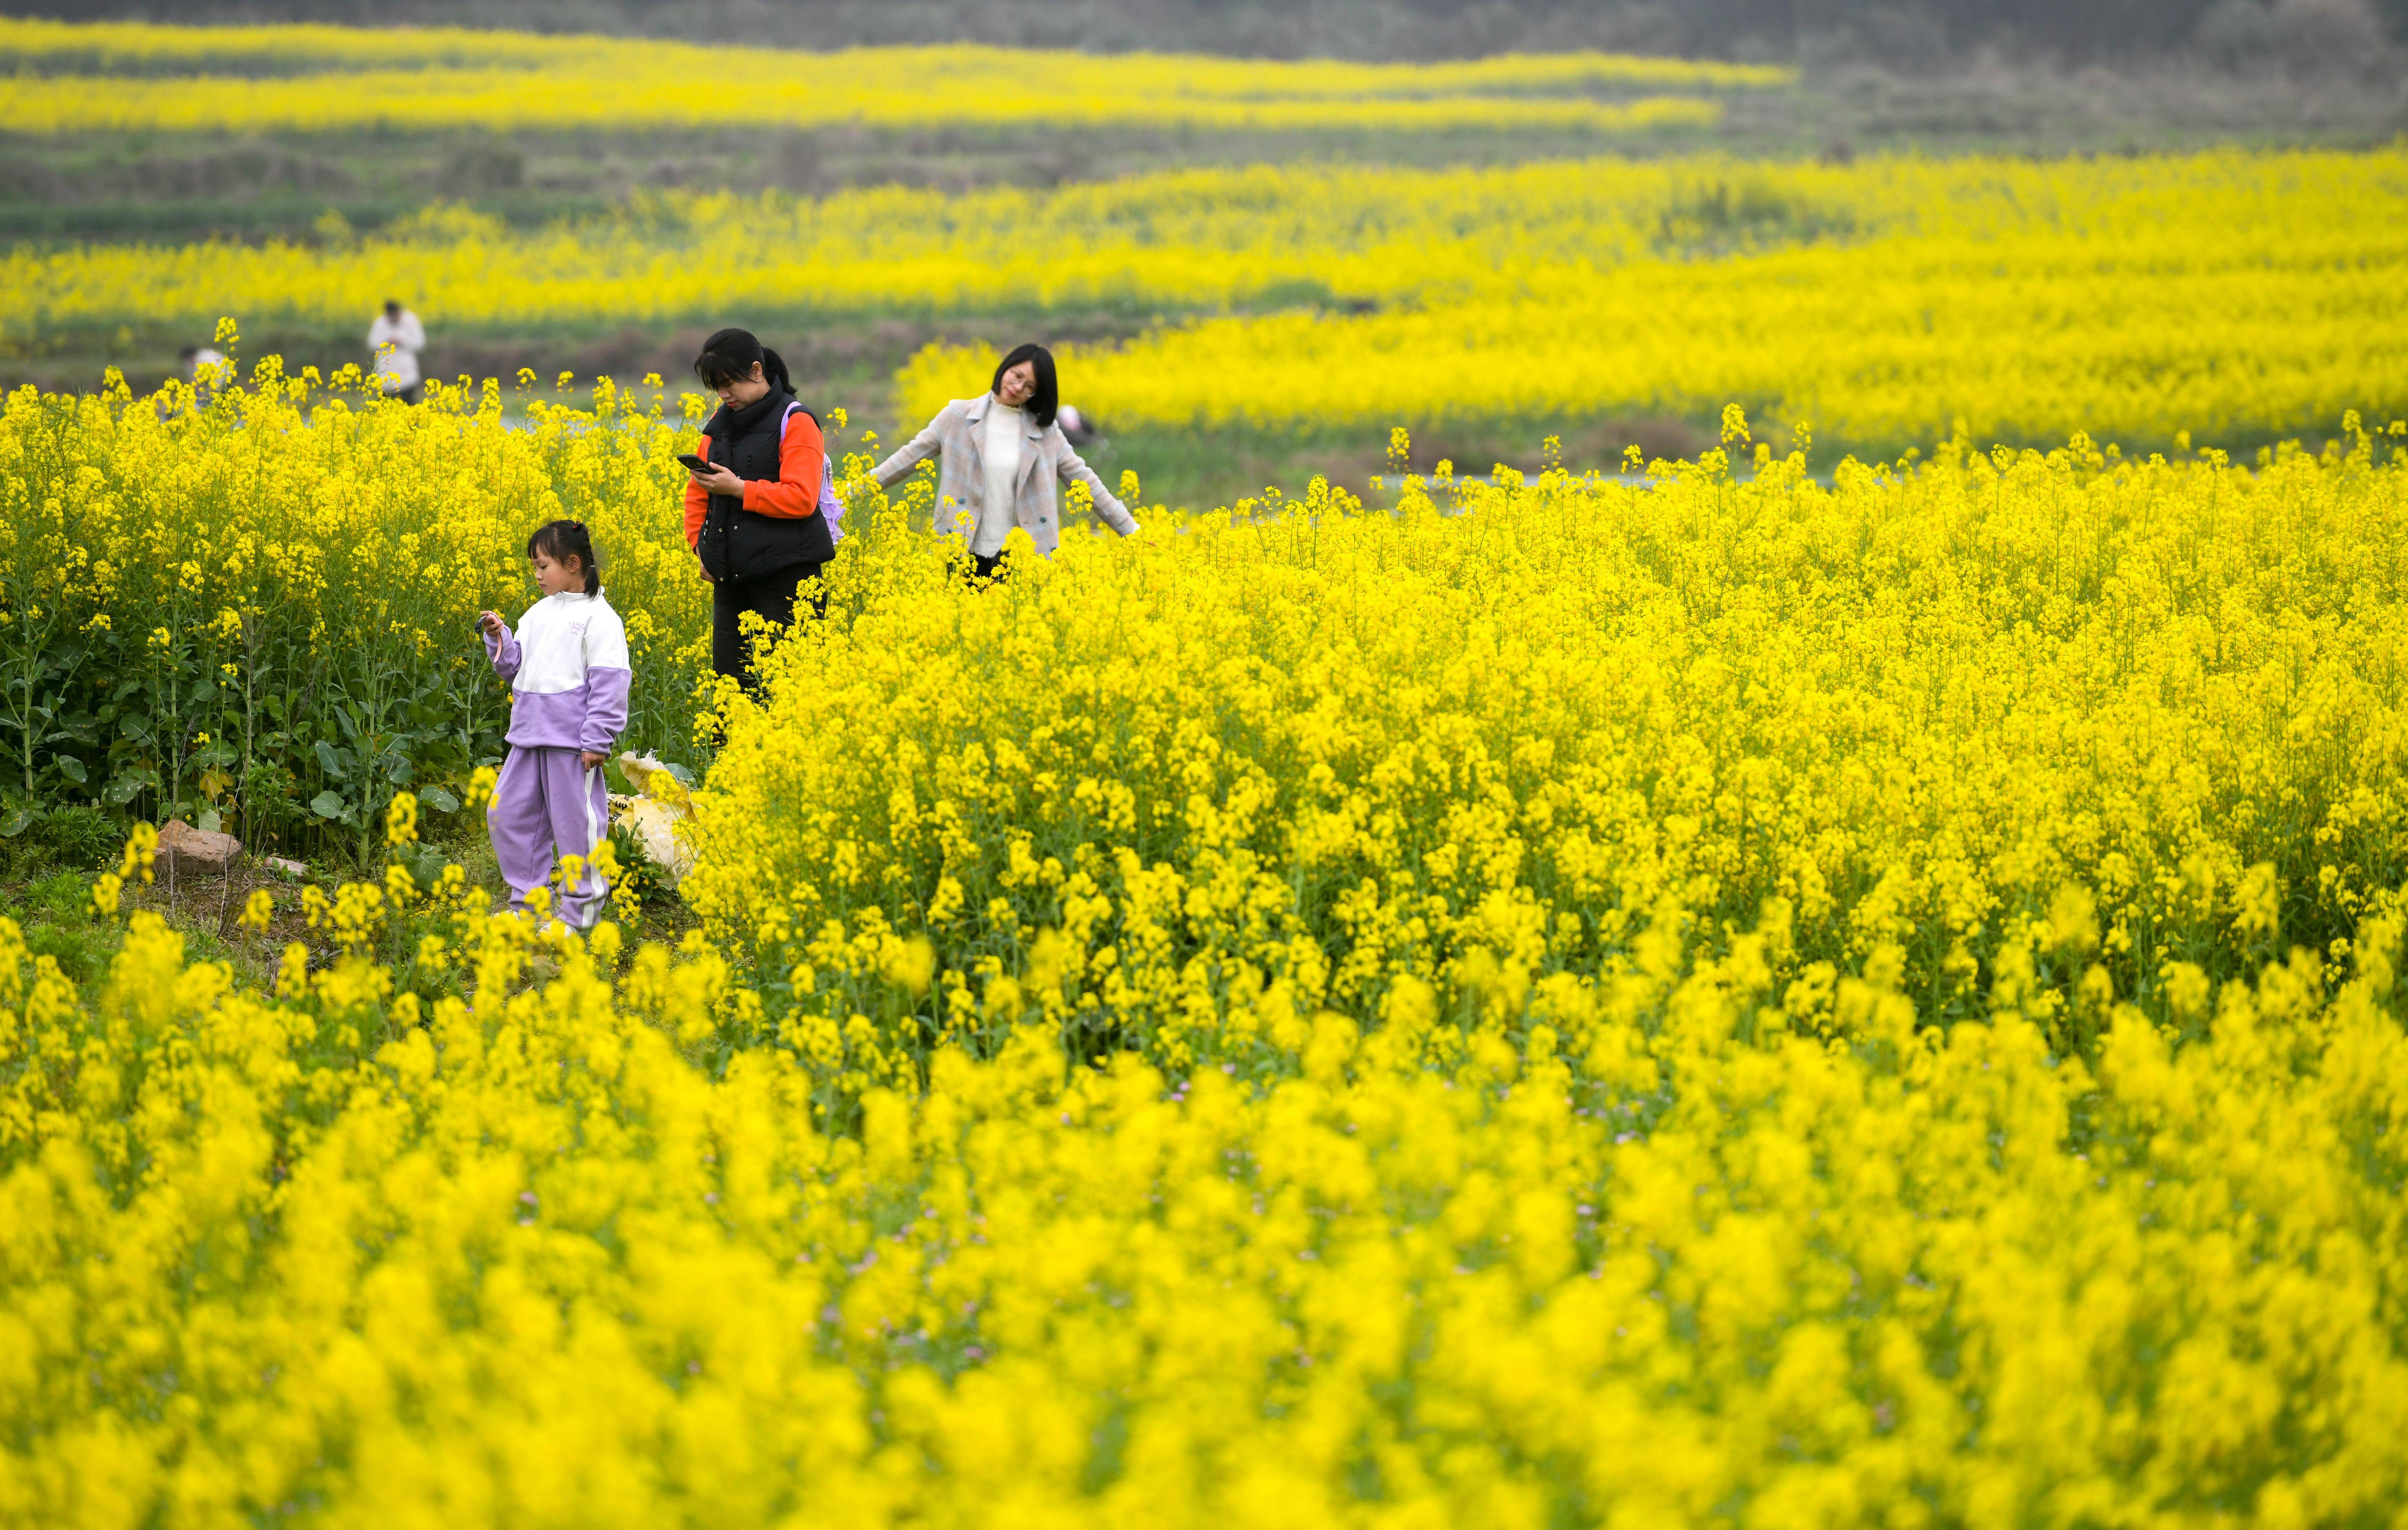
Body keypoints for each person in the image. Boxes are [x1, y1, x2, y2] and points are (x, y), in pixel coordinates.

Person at [871, 343, 1137, 579]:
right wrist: (849, 494)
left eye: (1030, 386)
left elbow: (1083, 480)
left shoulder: (1047, 433)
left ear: (1037, 394)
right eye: (1017, 375)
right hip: (961, 551)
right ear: (1006, 368)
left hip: (1023, 556)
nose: (1018, 387)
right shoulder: (957, 416)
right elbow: (907, 458)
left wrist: (1130, 530)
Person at [478, 520, 629, 931]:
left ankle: (579, 915)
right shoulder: (537, 613)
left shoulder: (601, 618)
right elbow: (513, 669)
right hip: (528, 736)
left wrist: (598, 739)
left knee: (577, 827)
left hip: (572, 744)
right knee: (509, 815)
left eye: (543, 566)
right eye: (535, 568)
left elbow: (610, 683)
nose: (538, 575)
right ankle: (529, 906)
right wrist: (499, 636)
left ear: (573, 563)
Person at [681, 327, 842, 686]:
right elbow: (698, 495)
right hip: (731, 584)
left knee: (788, 691)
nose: (724, 395)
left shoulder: (797, 422)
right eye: (716, 388)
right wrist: (700, 549)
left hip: (788, 583)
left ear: (756, 370)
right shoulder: (718, 427)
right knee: (731, 696)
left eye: (729, 384)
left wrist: (738, 488)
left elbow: (801, 498)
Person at [369, 299, 425, 404]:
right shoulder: (380, 322)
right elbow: (372, 343)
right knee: (383, 407)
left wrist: (402, 341)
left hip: (406, 373)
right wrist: (386, 341)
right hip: (385, 372)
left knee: (409, 407)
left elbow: (420, 343)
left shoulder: (411, 320)